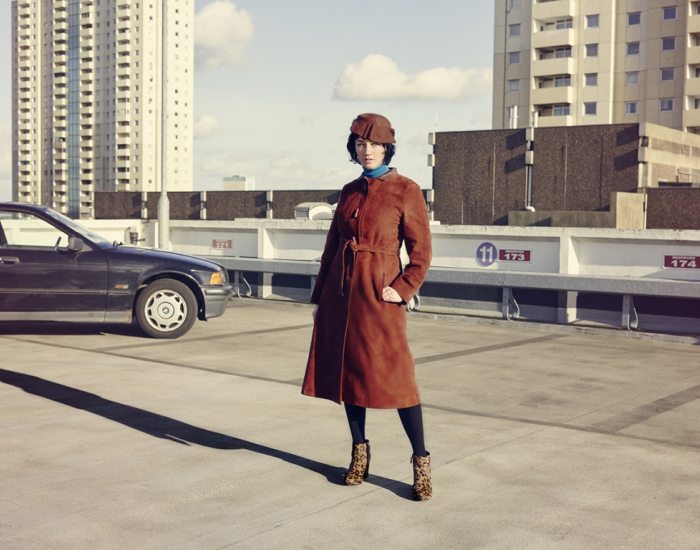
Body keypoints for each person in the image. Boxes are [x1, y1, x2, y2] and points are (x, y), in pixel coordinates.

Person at [301, 113, 433, 501]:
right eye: (360, 144)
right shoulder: (348, 191)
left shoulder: (407, 190)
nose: (367, 150)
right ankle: (359, 454)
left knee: (399, 379)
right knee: (349, 374)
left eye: (374, 144)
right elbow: (331, 250)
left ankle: (421, 462)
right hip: (341, 297)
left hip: (379, 296)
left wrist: (402, 289)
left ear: (387, 148)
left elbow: (422, 252)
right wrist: (320, 299)